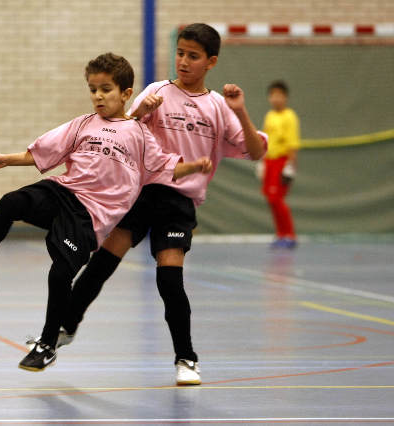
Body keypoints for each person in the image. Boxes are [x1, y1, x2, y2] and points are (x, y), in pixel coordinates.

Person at [0, 52, 212, 372]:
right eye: (93, 89)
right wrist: (6, 158)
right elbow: (42, 151)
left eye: (106, 89)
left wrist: (193, 168)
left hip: (89, 216)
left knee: (61, 272)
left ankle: (48, 344)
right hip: (63, 191)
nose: (98, 96)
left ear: (126, 94)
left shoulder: (139, 135)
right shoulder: (82, 124)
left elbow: (166, 167)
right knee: (10, 202)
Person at [56, 24, 268, 386]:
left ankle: (186, 358)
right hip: (141, 192)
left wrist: (241, 111)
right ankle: (65, 326)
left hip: (178, 201)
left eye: (193, 56)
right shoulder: (157, 92)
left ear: (211, 62)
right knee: (101, 264)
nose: (183, 61)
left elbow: (257, 150)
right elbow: (123, 128)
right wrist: (140, 109)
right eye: (180, 53)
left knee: (170, 279)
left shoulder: (218, 107)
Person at [259, 80, 300, 249]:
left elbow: (292, 143)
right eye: (273, 95)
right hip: (269, 161)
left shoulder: (289, 116)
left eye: (279, 95)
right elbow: (264, 140)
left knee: (278, 198)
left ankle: (290, 235)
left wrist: (290, 166)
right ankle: (280, 234)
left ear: (285, 97)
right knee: (270, 199)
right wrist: (262, 161)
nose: (276, 99)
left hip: (282, 162)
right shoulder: (269, 116)